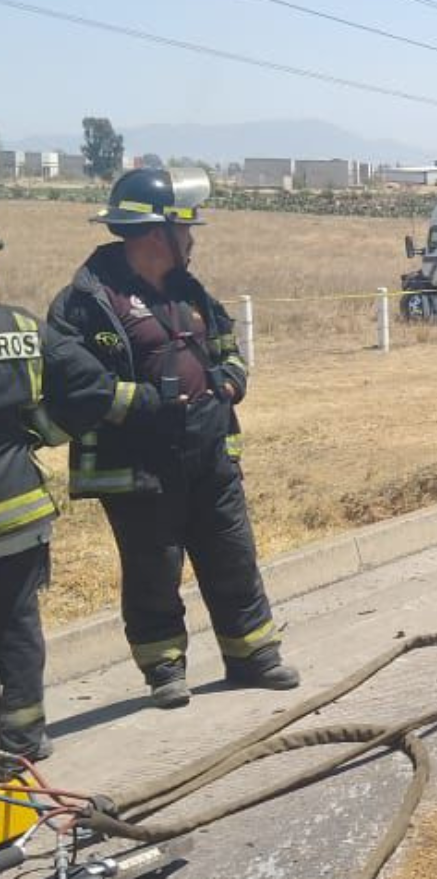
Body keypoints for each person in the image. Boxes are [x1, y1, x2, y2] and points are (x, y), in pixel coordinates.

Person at [48, 167, 299, 709]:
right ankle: (164, 670)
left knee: (232, 554)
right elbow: (70, 378)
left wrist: (231, 377)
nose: (193, 240)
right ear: (159, 233)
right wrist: (141, 403)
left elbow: (226, 340)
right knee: (152, 568)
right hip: (140, 461)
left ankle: (253, 655)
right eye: (187, 230)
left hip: (209, 451)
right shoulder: (86, 301)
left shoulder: (189, 290)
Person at [0, 237, 132, 770]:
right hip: (20, 510)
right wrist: (41, 434)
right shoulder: (23, 328)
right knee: (16, 625)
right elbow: (88, 389)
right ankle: (23, 739)